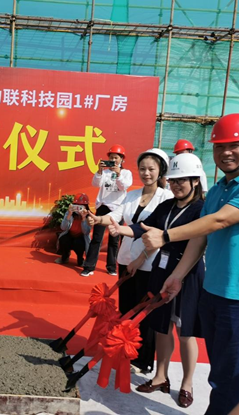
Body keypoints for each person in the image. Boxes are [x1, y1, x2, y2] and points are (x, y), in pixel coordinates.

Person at [141, 113, 239, 415]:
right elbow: (200, 237)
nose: (225, 152)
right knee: (220, 372)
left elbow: (219, 221)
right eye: (219, 146)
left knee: (230, 377)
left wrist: (165, 236)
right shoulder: (217, 190)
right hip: (213, 292)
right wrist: (177, 276)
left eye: (234, 145)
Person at [109, 153, 206, 408]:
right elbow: (142, 226)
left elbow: (198, 243)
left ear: (195, 181)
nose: (175, 185)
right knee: (162, 327)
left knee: (185, 332)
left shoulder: (201, 210)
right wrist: (120, 229)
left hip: (188, 275)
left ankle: (187, 384)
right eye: (172, 180)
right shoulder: (167, 206)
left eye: (181, 180)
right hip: (161, 272)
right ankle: (161, 376)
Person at [86, 148, 173, 373]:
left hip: (149, 263)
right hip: (126, 258)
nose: (146, 173)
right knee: (126, 308)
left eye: (151, 169)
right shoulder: (132, 195)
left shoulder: (166, 198)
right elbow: (116, 217)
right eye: (142, 169)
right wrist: (98, 219)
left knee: (143, 312)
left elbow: (159, 234)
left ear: (161, 171)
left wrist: (141, 258)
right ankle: (124, 351)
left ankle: (143, 360)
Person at [80, 144, 133, 277]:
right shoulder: (104, 173)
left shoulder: (126, 173)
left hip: (118, 208)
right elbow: (95, 184)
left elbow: (124, 186)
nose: (113, 160)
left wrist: (118, 173)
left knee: (114, 240)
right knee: (96, 238)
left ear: (122, 159)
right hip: (103, 207)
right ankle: (89, 266)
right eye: (111, 157)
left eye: (116, 158)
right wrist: (99, 171)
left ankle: (111, 267)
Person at [55, 193, 93, 267]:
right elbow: (63, 227)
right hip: (70, 234)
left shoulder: (89, 216)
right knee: (63, 239)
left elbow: (86, 232)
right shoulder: (69, 213)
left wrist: (83, 218)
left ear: (86, 206)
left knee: (79, 243)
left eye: (82, 206)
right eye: (76, 205)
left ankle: (80, 260)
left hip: (81, 237)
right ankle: (65, 257)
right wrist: (69, 215)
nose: (78, 208)